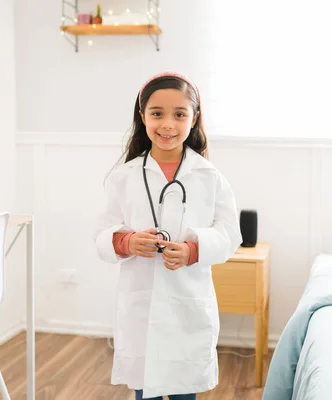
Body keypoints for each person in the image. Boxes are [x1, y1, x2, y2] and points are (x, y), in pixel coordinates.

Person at [93, 71, 242, 400]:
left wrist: (193, 250)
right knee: (143, 386)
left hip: (187, 297)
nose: (168, 125)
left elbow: (231, 233)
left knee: (183, 387)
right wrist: (127, 242)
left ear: (194, 118)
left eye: (179, 114)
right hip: (140, 298)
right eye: (156, 114)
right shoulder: (124, 176)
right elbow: (102, 232)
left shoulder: (209, 176)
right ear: (142, 116)